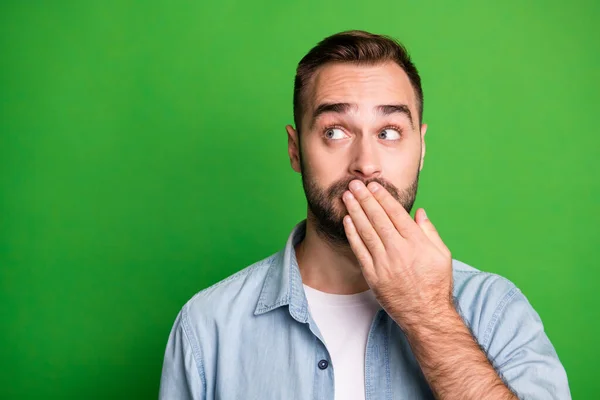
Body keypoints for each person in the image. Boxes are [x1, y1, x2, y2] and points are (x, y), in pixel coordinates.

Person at [158, 30, 571, 400]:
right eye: (335, 131)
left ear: (421, 148)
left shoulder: (496, 311)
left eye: (389, 132)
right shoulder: (207, 327)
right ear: (294, 149)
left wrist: (428, 315)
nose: (366, 164)